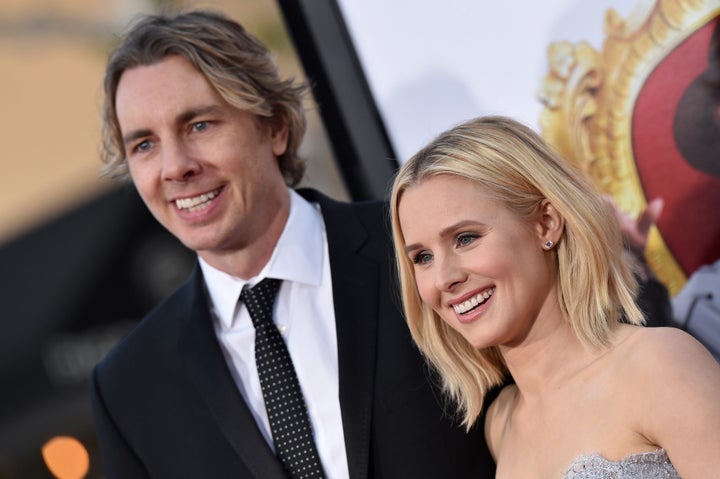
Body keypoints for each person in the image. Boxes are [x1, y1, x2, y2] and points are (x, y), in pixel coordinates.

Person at [89, 9, 494, 479]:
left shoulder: (412, 250)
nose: (175, 166)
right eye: (144, 145)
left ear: (275, 126)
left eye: (198, 125)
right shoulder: (128, 387)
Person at [389, 115, 720, 478]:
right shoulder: (500, 424)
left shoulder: (659, 365)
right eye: (423, 257)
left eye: (465, 238)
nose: (444, 278)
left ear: (545, 222)